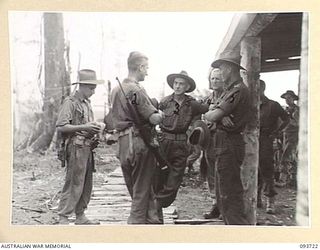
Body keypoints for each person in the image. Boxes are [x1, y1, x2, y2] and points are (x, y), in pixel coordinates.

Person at [111, 51, 163, 224]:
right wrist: (160, 114)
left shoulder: (116, 89)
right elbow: (153, 118)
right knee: (142, 187)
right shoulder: (136, 90)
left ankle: (152, 220)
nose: (147, 72)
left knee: (135, 187)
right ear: (140, 67)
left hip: (123, 142)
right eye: (146, 68)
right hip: (139, 142)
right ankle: (136, 224)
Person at [204, 53, 251, 225]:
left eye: (222, 69)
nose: (220, 73)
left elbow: (211, 116)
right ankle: (230, 223)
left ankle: (237, 228)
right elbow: (211, 114)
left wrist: (217, 114)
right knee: (223, 187)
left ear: (231, 69)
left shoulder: (238, 90)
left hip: (230, 142)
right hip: (223, 141)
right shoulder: (231, 89)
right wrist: (218, 114)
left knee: (229, 190)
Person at [56, 69, 104, 225]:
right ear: (82, 86)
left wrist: (95, 129)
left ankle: (80, 215)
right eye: (91, 88)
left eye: (94, 88)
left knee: (86, 183)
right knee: (74, 182)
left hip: (87, 148)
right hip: (76, 147)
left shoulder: (87, 104)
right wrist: (85, 127)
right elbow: (62, 126)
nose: (93, 91)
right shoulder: (70, 102)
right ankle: (63, 216)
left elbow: (88, 125)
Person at [156, 70, 209, 210]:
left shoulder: (192, 104)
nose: (178, 86)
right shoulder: (165, 102)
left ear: (187, 87)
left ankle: (159, 203)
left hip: (181, 144)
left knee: (176, 177)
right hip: (164, 142)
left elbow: (207, 110)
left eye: (181, 84)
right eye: (176, 83)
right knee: (160, 173)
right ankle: (155, 206)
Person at [258, 80, 289, 214]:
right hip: (250, 139)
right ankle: (256, 197)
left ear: (263, 89)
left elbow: (286, 119)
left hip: (265, 139)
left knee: (266, 169)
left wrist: (276, 132)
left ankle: (270, 200)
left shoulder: (272, 105)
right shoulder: (249, 104)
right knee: (253, 169)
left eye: (257, 88)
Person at [202, 67, 225, 219]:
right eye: (212, 79)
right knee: (211, 173)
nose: (215, 81)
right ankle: (215, 204)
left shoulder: (228, 97)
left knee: (223, 173)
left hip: (223, 140)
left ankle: (225, 207)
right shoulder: (207, 99)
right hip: (209, 141)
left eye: (217, 78)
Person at [280, 90, 299, 188]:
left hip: (294, 135)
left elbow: (298, 123)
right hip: (285, 134)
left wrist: (288, 119)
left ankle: (283, 179)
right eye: (286, 98)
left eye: (289, 98)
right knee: (291, 157)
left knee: (286, 156)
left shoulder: (297, 110)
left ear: (293, 99)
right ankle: (292, 179)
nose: (287, 100)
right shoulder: (286, 110)